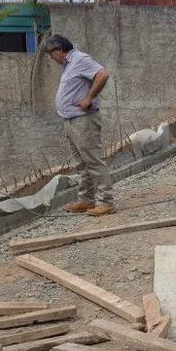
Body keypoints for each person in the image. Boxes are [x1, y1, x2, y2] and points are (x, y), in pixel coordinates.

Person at [42, 34, 115, 216]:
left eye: (52, 55)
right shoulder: (69, 65)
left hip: (83, 121)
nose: (53, 60)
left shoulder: (80, 59)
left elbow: (103, 74)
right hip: (71, 121)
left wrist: (88, 98)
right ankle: (87, 200)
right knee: (82, 164)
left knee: (93, 161)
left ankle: (106, 201)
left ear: (59, 50)